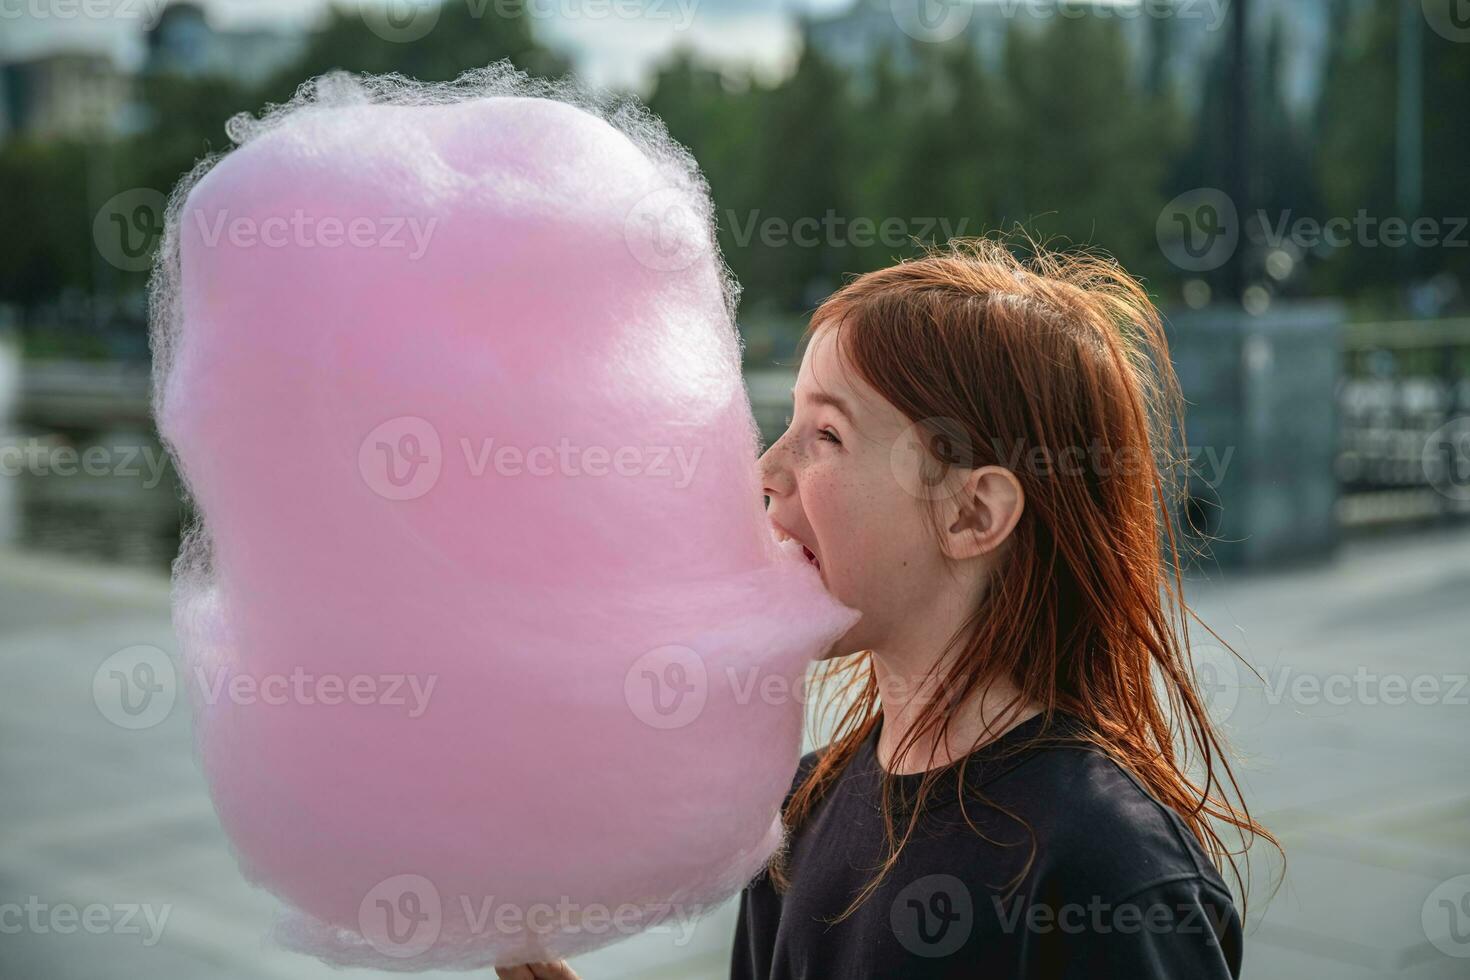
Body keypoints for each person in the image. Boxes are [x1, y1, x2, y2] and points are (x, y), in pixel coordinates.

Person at [497, 237, 1277, 980]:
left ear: (972, 515)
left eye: (826, 434)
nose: (767, 468)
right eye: (789, 423)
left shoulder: (1106, 871)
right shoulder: (801, 809)